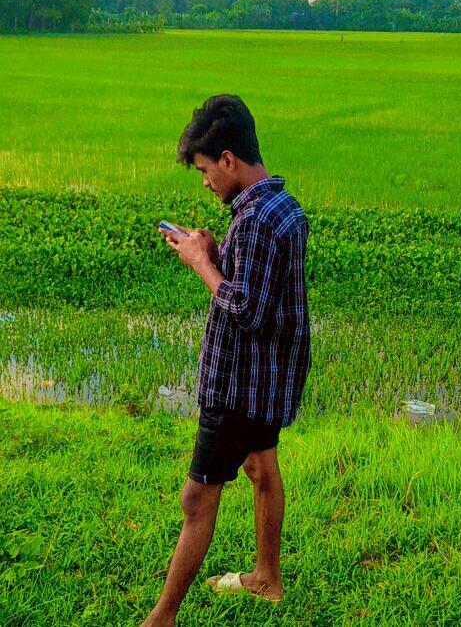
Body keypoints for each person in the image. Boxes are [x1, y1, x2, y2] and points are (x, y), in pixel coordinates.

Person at [140, 94, 311, 627]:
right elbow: (262, 287)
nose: (206, 182)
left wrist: (200, 263)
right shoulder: (281, 206)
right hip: (268, 379)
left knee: (197, 499)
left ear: (229, 160)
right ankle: (266, 578)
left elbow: (248, 310)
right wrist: (218, 254)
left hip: (238, 385)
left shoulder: (255, 221)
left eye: (205, 170)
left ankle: (161, 617)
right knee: (261, 467)